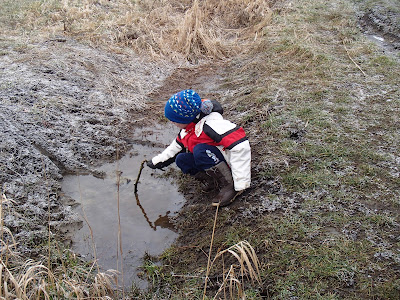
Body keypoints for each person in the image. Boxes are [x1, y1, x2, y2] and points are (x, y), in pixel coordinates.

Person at [147, 89, 251, 207]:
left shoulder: (211, 125)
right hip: (210, 158)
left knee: (200, 150)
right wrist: (157, 161)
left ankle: (228, 184)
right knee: (181, 159)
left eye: (175, 121)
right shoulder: (189, 128)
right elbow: (176, 146)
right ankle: (213, 181)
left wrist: (241, 183)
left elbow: (240, 145)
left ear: (186, 118)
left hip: (227, 162)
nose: (172, 123)